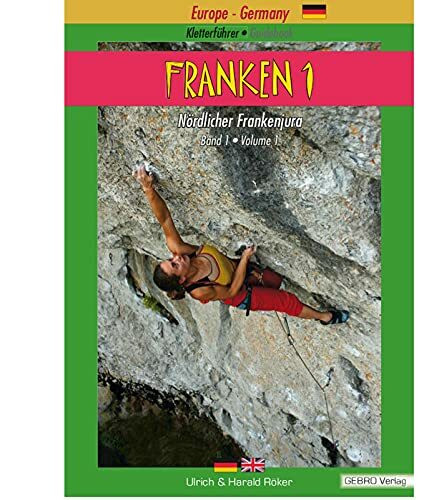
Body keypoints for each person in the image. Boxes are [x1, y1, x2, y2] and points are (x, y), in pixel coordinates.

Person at [133, 166, 349, 325]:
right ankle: (325, 317)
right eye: (175, 265)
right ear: (181, 279)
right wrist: (245, 258)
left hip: (245, 272)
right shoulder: (199, 291)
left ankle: (306, 303)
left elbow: (165, 220)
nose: (176, 258)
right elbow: (231, 290)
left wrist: (148, 189)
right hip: (242, 294)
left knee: (278, 282)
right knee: (285, 301)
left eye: (171, 259)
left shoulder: (182, 251)